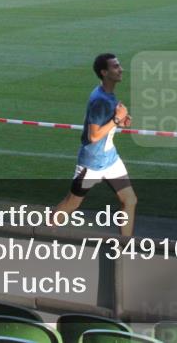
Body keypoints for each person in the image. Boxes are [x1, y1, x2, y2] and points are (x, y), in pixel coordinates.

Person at [52, 53, 137, 236]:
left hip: (110, 159)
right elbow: (94, 136)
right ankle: (40, 234)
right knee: (71, 204)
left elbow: (105, 123)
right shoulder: (100, 100)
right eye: (115, 66)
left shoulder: (106, 94)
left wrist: (121, 121)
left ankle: (125, 248)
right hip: (92, 165)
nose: (121, 69)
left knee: (129, 200)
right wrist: (116, 119)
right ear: (104, 72)